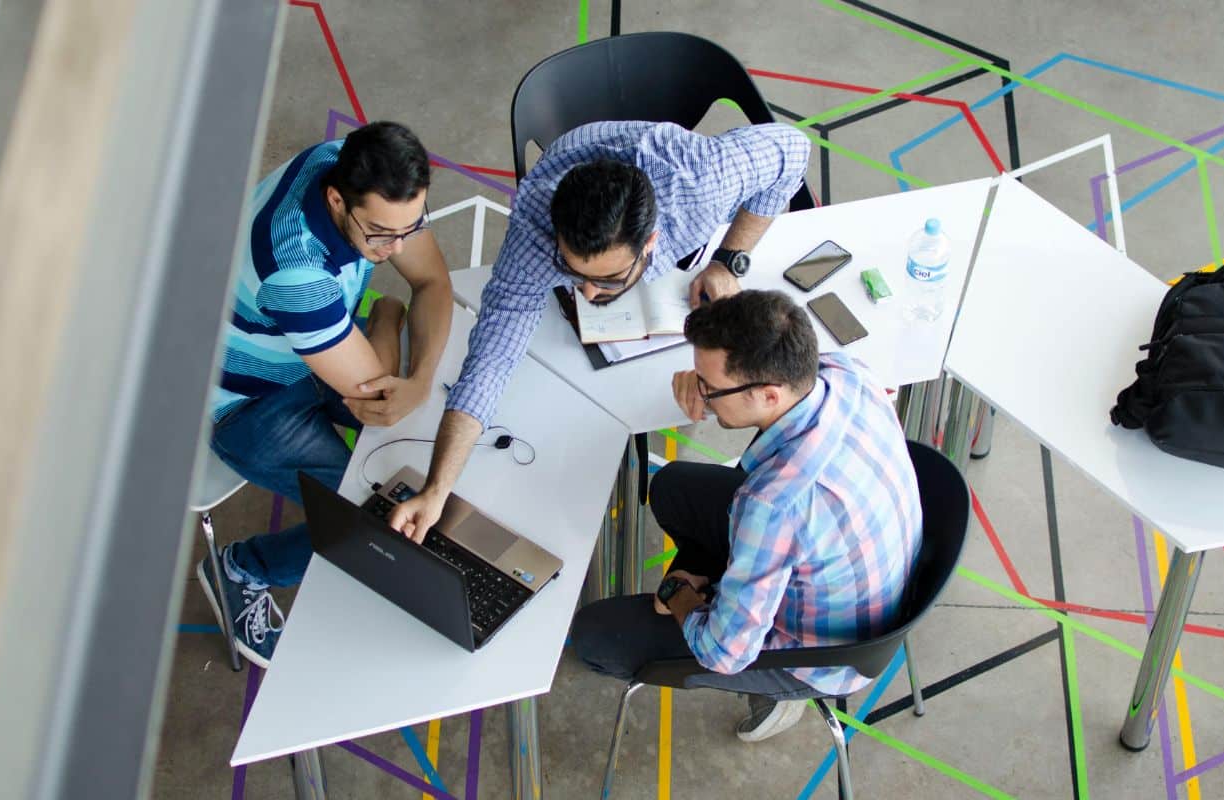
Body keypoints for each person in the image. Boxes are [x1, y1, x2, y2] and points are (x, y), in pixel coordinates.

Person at [386, 120, 811, 543]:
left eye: (607, 280)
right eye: (573, 273)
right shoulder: (534, 230)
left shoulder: (701, 183)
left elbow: (794, 150)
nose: (587, 294)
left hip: (668, 168)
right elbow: (490, 361)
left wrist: (729, 258)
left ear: (651, 243)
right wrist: (437, 489)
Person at [568, 290, 924, 742]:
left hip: (820, 655)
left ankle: (776, 694)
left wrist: (680, 594)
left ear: (768, 394)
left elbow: (723, 652)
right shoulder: (844, 373)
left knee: (595, 635)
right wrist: (700, 379)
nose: (702, 394)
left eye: (709, 388)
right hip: (864, 576)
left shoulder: (773, 504)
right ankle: (725, 587)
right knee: (673, 487)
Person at [197, 121, 454, 667]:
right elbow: (379, 401)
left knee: (420, 436)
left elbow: (433, 282)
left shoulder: (352, 165)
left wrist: (421, 377)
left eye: (412, 228)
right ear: (337, 200)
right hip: (245, 401)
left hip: (311, 347)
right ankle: (243, 568)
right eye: (382, 234)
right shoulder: (297, 273)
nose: (398, 247)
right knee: (364, 517)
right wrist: (387, 316)